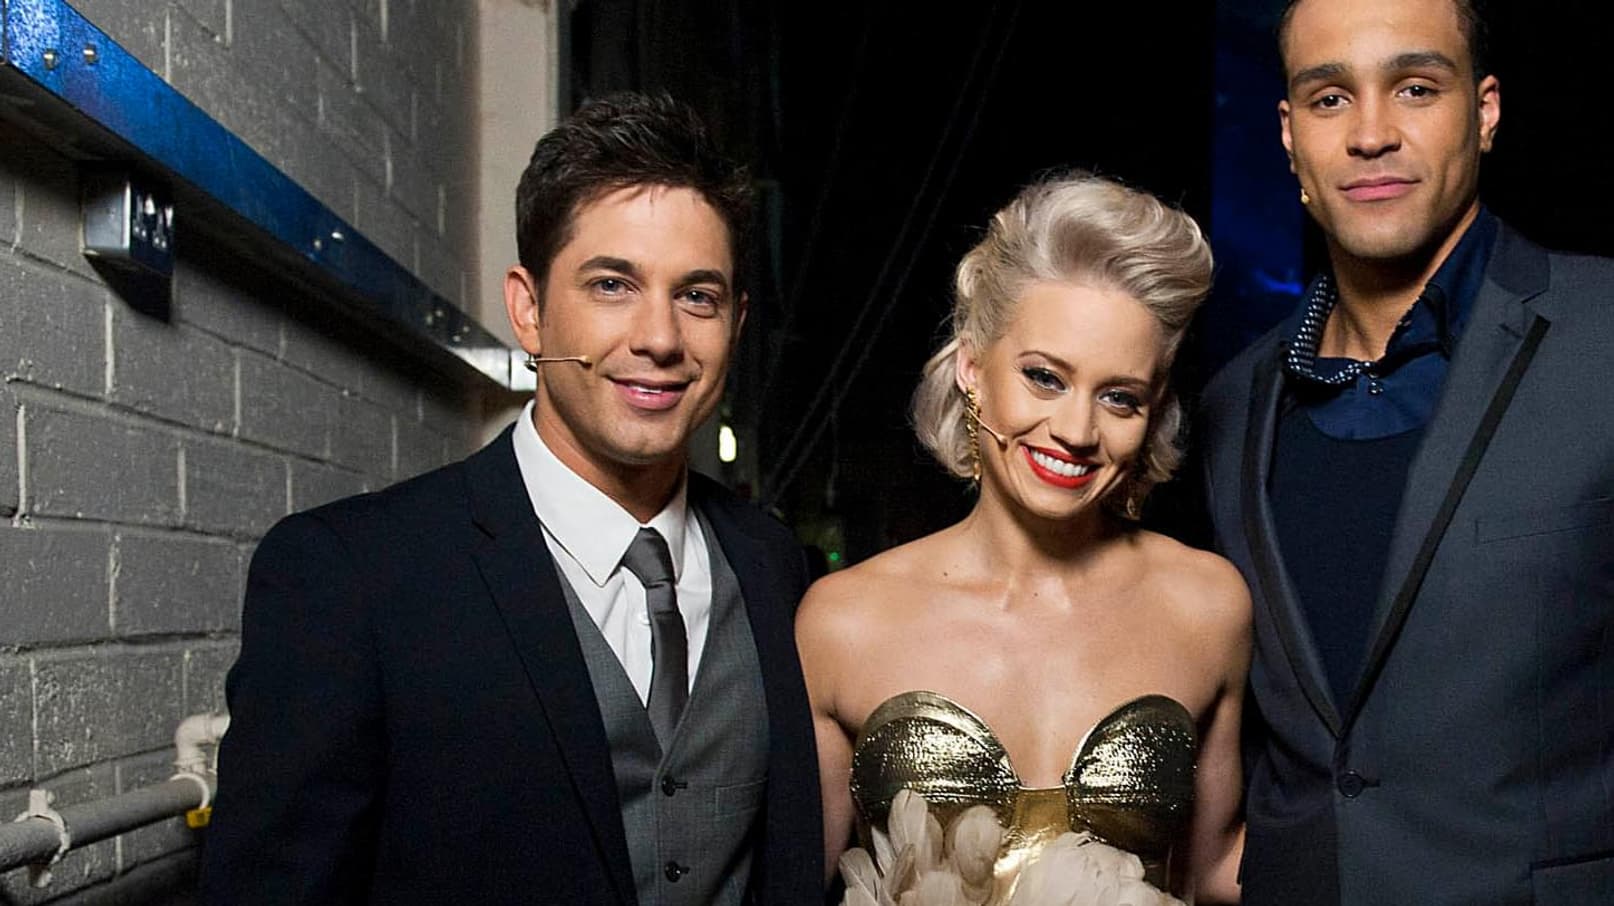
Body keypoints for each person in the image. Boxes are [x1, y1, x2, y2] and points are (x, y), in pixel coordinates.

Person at [201, 92, 822, 905]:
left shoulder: (772, 566)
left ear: (734, 324)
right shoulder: (351, 577)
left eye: (696, 296)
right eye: (612, 285)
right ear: (529, 311)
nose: (660, 338)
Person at [1198, 0, 1614, 901]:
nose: (1371, 134)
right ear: (1289, 135)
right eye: (1330, 98)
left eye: (1416, 88)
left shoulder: (1603, 336)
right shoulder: (1231, 405)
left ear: (1485, 111)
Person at [797, 173, 1248, 903]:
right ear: (973, 368)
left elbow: (1216, 867)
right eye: (1044, 378)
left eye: (1119, 397)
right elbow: (791, 887)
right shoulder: (841, 621)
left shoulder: (1206, 605)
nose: (1076, 430)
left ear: (1154, 409)